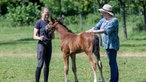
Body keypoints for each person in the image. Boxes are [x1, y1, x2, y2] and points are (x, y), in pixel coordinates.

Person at [86, 4, 119, 82]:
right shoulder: (103, 20)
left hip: (112, 45)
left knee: (112, 62)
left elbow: (105, 30)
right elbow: (96, 27)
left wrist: (93, 32)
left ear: (107, 13)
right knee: (112, 62)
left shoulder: (114, 20)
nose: (102, 13)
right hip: (106, 45)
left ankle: (113, 80)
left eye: (103, 12)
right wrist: (86, 32)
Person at [33, 7, 54, 82]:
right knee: (40, 64)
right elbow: (34, 36)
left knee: (47, 65)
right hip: (41, 45)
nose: (47, 15)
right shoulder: (38, 22)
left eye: (48, 14)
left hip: (49, 45)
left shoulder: (49, 23)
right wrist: (39, 38)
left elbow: (53, 37)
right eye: (46, 13)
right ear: (42, 13)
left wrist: (52, 33)